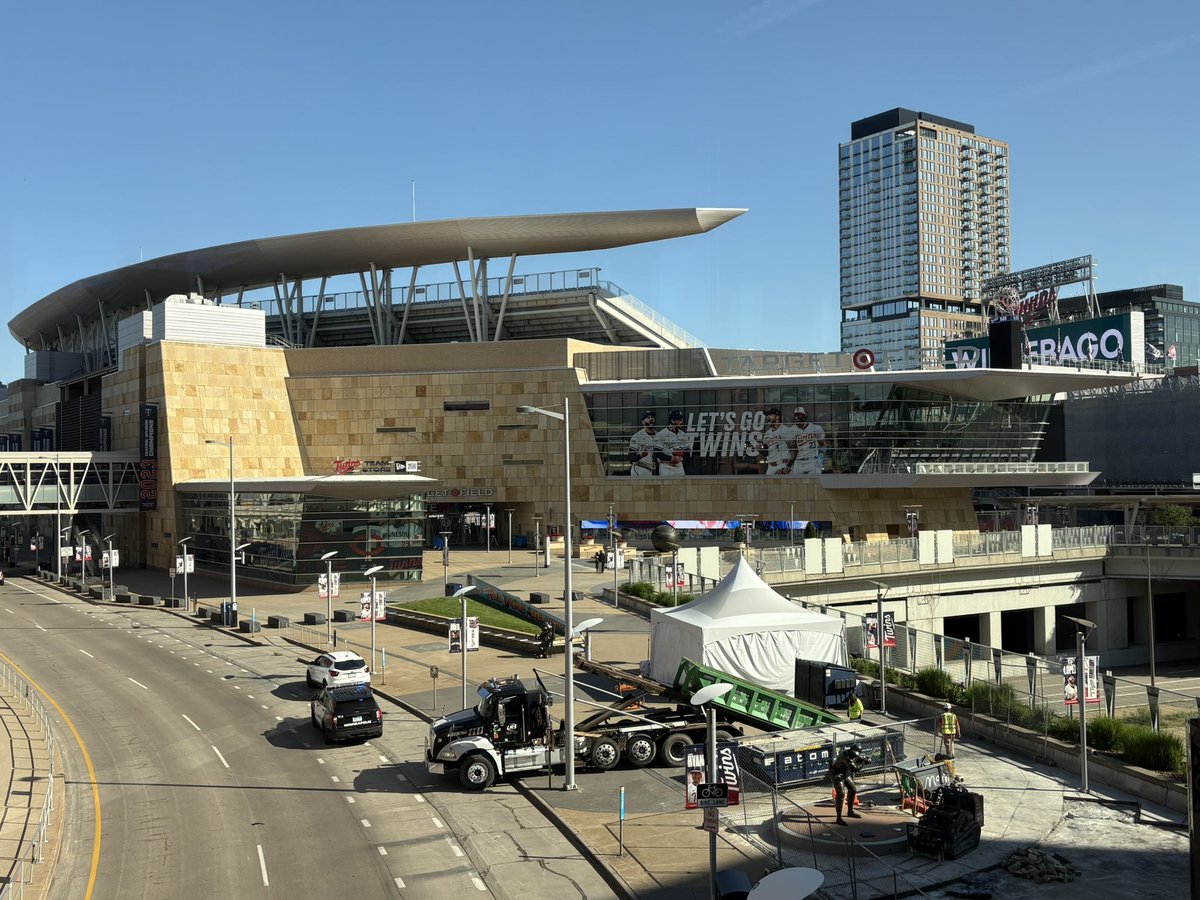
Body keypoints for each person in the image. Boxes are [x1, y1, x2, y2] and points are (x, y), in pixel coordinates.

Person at [830, 743, 867, 825]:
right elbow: (855, 769)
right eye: (854, 753)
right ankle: (839, 818)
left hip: (845, 774)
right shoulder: (845, 756)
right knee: (841, 794)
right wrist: (864, 762)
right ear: (851, 750)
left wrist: (864, 759)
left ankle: (850, 811)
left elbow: (859, 758)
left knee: (853, 789)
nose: (855, 755)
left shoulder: (854, 754)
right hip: (837, 774)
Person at [758, 407, 796, 475]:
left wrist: (788, 466)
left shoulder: (786, 430)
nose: (768, 417)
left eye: (770, 415)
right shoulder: (767, 434)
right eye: (767, 415)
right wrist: (760, 449)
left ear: (778, 417)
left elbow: (794, 450)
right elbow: (767, 453)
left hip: (783, 463)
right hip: (771, 466)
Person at [790, 406, 827, 475]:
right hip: (799, 462)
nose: (796, 417)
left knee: (816, 482)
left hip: (812, 460)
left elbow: (822, 444)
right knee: (794, 482)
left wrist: (820, 458)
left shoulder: (816, 428)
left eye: (799, 415)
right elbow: (793, 449)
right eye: (795, 415)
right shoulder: (792, 430)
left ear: (805, 416)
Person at [656, 410, 691, 476]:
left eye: (681, 419)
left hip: (679, 466)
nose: (681, 421)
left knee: (681, 486)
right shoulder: (662, 434)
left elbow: (687, 453)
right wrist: (671, 458)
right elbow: (657, 453)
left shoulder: (683, 435)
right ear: (672, 421)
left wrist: (680, 454)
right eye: (679, 419)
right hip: (666, 466)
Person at [628, 410, 662, 477]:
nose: (651, 419)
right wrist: (640, 455)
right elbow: (631, 457)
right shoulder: (637, 436)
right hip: (640, 468)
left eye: (652, 417)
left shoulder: (659, 435)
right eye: (648, 418)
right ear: (643, 422)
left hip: (652, 470)